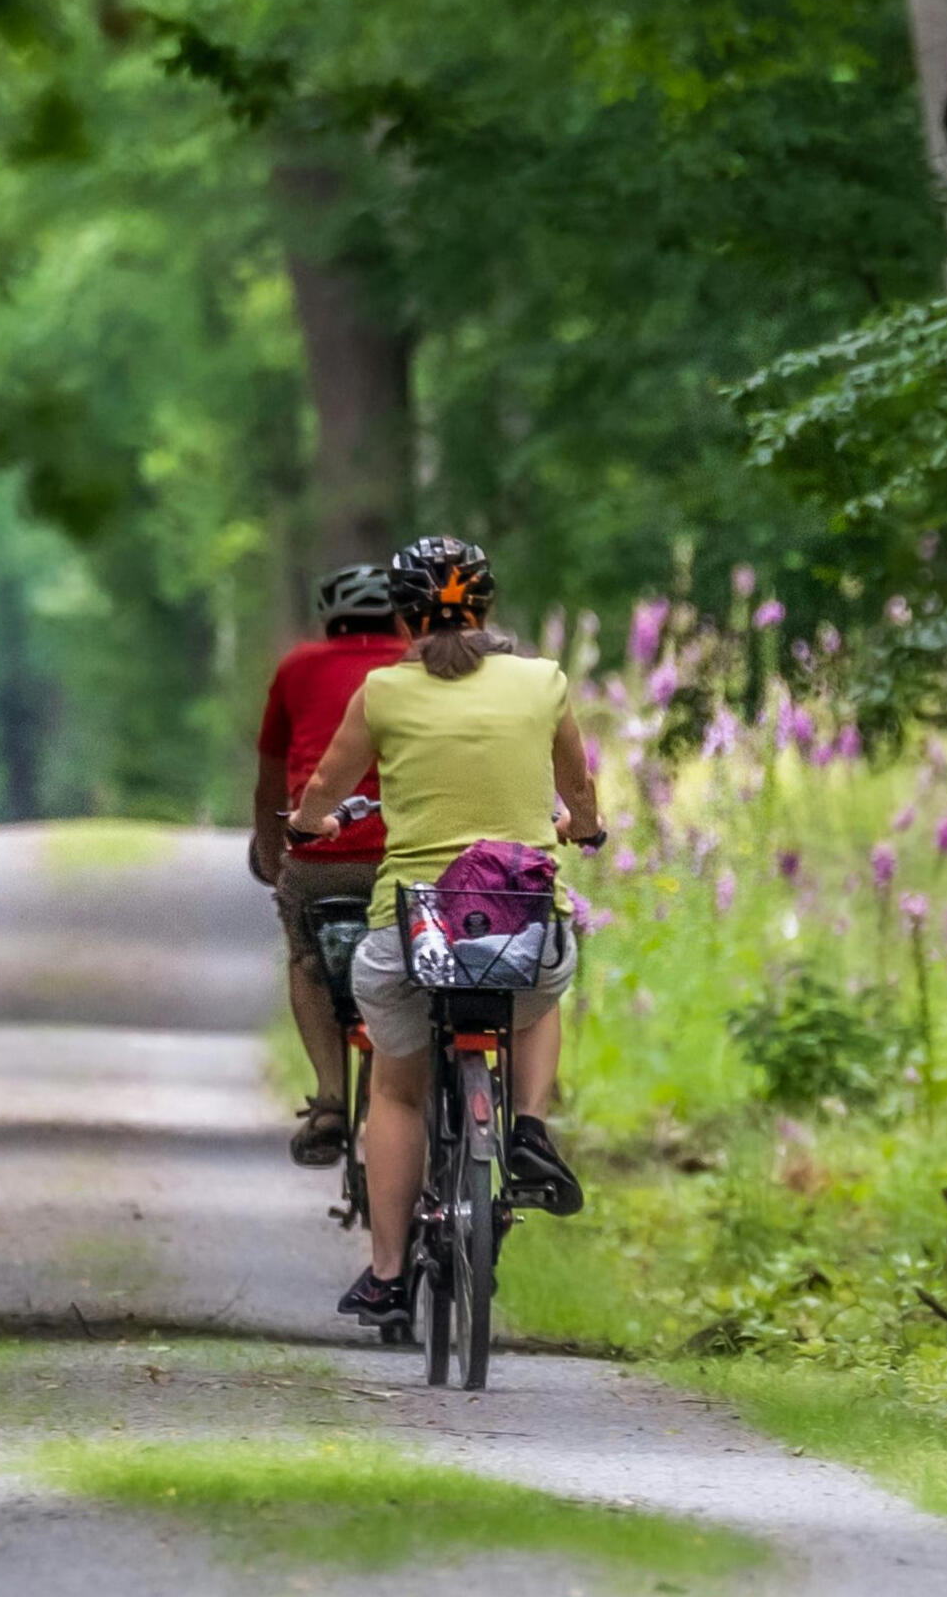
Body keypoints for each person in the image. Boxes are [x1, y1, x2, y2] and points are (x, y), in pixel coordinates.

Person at [284, 535, 605, 1325]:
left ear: (403, 617)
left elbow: (326, 788)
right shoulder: (543, 683)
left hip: (415, 926)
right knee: (540, 990)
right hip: (519, 921)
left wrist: (309, 824)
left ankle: (389, 1274)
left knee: (394, 1090)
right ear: (488, 606)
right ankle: (527, 1128)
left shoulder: (383, 692)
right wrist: (582, 826)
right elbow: (579, 789)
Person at [253, 564, 407, 1167]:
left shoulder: (298, 667)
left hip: (323, 859)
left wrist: (274, 857)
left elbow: (272, 780)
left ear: (330, 616)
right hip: (408, 855)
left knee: (308, 958)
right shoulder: (419, 667)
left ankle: (331, 1102)